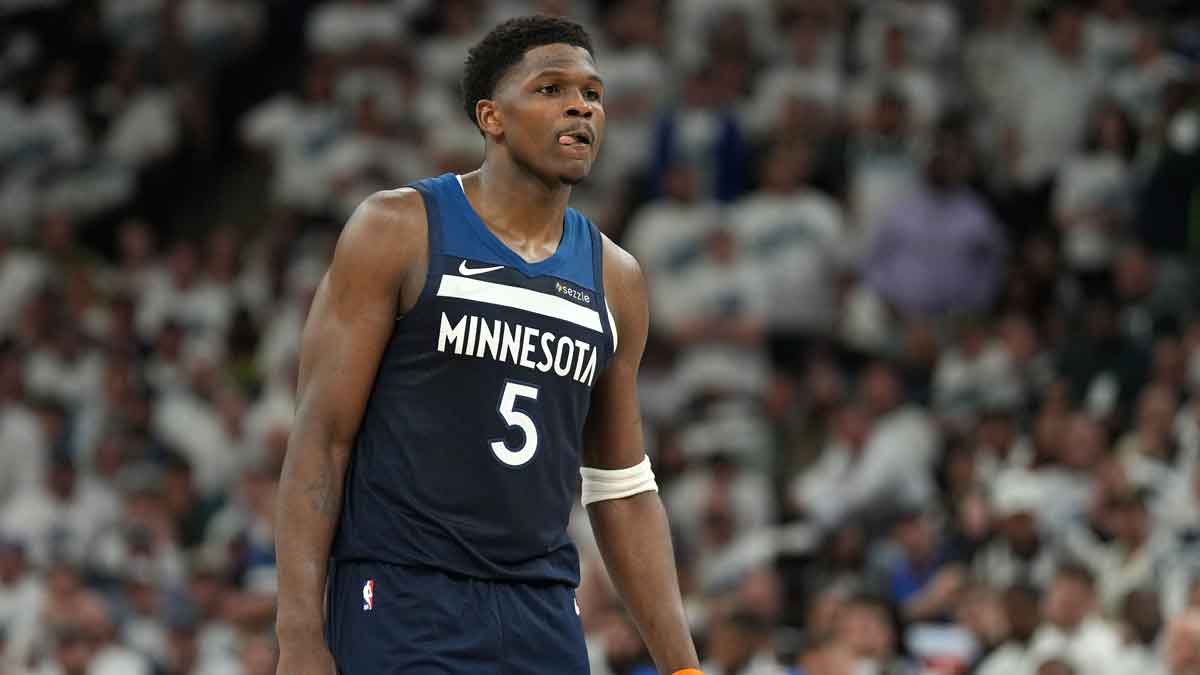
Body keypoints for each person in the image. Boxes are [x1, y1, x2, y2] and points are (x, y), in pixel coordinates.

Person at [273, 15, 701, 675]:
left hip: (541, 608)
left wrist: (683, 667)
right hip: (403, 593)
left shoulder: (616, 277)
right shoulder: (398, 229)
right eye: (550, 88)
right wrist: (299, 635)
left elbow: (621, 487)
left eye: (592, 92)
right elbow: (321, 437)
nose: (580, 106)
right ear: (491, 117)